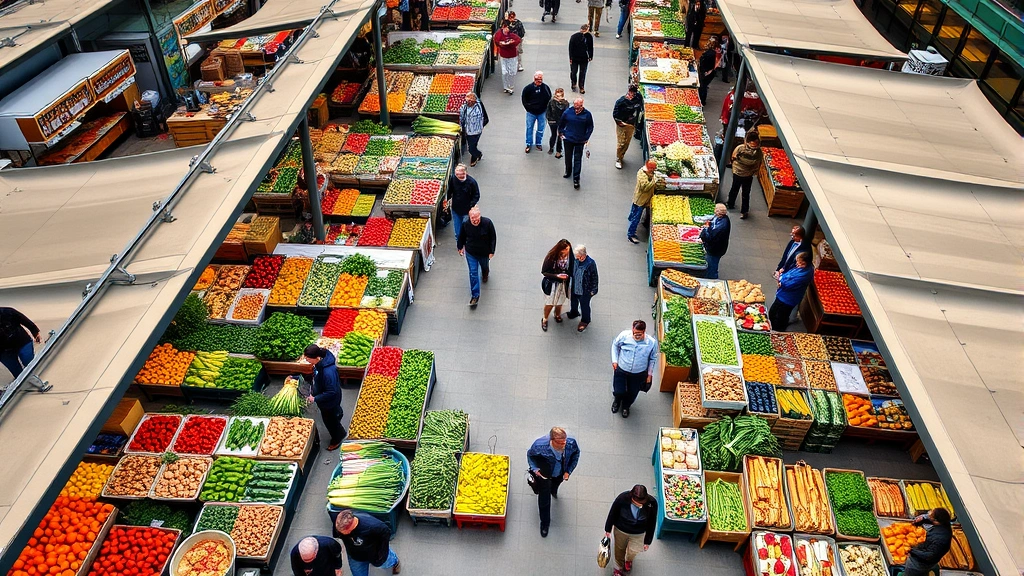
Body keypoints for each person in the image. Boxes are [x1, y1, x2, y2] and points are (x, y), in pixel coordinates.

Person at [527, 427, 581, 537]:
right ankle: (545, 523)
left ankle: (554, 490)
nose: (564, 445)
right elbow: (530, 455)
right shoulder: (539, 445)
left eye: (564, 442)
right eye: (560, 443)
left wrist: (568, 471)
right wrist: (536, 470)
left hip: (560, 473)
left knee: (555, 486)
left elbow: (576, 453)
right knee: (544, 500)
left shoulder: (571, 443)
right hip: (545, 476)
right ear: (552, 440)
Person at [604, 485, 657, 575]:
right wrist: (607, 530)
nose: (639, 504)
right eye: (636, 502)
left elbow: (652, 521)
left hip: (639, 533)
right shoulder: (622, 498)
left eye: (642, 502)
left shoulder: (651, 503)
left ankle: (628, 559)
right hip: (621, 529)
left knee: (634, 550)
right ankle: (618, 567)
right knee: (619, 550)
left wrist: (647, 541)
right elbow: (613, 513)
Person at [610, 320, 658, 418]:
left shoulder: (651, 343)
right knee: (618, 390)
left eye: (639, 334)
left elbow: (653, 359)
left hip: (638, 373)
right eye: (634, 333)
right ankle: (617, 402)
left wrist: (649, 374)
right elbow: (615, 345)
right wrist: (615, 360)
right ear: (632, 329)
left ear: (644, 331)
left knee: (632, 392)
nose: (636, 335)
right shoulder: (624, 336)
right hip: (622, 369)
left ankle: (626, 406)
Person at [303, 344, 346, 450]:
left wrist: (315, 398)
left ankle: (337, 438)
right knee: (333, 415)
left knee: (330, 421)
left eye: (308, 358)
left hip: (329, 401)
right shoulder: (321, 363)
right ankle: (338, 415)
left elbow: (331, 392)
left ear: (316, 358)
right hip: (329, 397)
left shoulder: (328, 372)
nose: (306, 360)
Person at [332, 510, 401, 576]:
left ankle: (395, 562)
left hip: (375, 551)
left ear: (351, 526)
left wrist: (382, 555)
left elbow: (385, 536)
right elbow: (337, 535)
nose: (341, 533)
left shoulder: (374, 526)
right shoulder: (339, 525)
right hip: (355, 555)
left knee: (387, 562)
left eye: (344, 532)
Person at [456, 206, 496, 307]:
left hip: (484, 252)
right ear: (469, 217)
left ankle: (485, 272)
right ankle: (475, 295)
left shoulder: (487, 223)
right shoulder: (466, 224)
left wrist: (492, 251)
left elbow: (493, 237)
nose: (475, 220)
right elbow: (462, 236)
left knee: (484, 265)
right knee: (473, 273)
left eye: (476, 217)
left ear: (480, 215)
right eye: (472, 218)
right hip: (471, 252)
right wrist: (460, 247)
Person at [768, 251, 814, 330]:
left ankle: (777, 330)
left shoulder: (804, 275)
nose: (797, 264)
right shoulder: (801, 268)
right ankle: (772, 326)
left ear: (805, 263)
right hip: (783, 294)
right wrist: (782, 276)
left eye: (800, 262)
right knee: (773, 312)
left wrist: (781, 280)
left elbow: (790, 284)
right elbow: (790, 274)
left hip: (788, 298)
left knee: (781, 316)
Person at [904, 508, 954, 576]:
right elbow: (930, 519)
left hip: (920, 563)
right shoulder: (944, 522)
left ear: (936, 520)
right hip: (924, 553)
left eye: (931, 514)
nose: (929, 513)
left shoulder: (940, 539)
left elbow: (930, 555)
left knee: (912, 572)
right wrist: (923, 520)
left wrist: (911, 550)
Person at [558, 97, 594, 189]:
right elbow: (561, 123)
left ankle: (576, 178)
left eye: (579, 107)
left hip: (580, 140)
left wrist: (586, 138)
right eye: (575, 107)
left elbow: (590, 127)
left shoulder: (587, 115)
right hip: (568, 139)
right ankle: (568, 171)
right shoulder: (568, 112)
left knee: (577, 159)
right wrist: (561, 133)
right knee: (568, 156)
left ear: (582, 105)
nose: (577, 109)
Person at [726, 130, 764, 219]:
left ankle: (732, 205)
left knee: (737, 190)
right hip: (745, 174)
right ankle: (742, 210)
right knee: (743, 192)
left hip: (742, 173)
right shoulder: (757, 152)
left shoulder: (741, 148)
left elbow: (733, 157)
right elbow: (758, 162)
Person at [540, 239, 574, 331]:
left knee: (560, 301)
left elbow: (572, 268)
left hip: (563, 284)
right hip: (552, 284)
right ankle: (545, 319)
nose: (567, 251)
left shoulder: (570, 257)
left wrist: (568, 275)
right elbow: (544, 272)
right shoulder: (551, 257)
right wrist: (557, 276)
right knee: (549, 303)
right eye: (565, 249)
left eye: (568, 249)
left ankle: (557, 314)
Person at [0, 307, 41, 380]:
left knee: (28, 363)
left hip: (22, 342)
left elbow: (24, 320)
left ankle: (32, 375)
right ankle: (25, 380)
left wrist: (35, 332)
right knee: (18, 374)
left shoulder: (8, 312)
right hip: (3, 352)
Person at [566, 244, 598, 332]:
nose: (577, 258)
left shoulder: (590, 263)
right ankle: (574, 312)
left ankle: (585, 320)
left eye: (579, 256)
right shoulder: (576, 260)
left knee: (584, 305)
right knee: (573, 300)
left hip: (585, 290)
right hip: (575, 286)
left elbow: (594, 277)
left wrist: (593, 291)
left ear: (584, 255)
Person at [612, 84, 643, 169]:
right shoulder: (621, 102)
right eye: (629, 94)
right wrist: (619, 122)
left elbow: (640, 106)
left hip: (631, 124)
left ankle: (622, 154)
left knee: (627, 142)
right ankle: (618, 158)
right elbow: (615, 114)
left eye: (633, 94)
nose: (631, 96)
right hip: (622, 123)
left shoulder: (638, 98)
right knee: (621, 142)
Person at [446, 164, 480, 241]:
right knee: (457, 231)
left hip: (467, 210)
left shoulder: (472, 182)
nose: (459, 176)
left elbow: (476, 195)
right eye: (457, 174)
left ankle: (465, 243)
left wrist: (471, 205)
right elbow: (450, 190)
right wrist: (447, 200)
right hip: (456, 208)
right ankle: (460, 244)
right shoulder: (453, 179)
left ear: (465, 173)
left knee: (465, 229)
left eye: (461, 174)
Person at [627, 160, 658, 243]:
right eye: (653, 169)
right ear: (650, 168)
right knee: (636, 217)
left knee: (637, 213)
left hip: (646, 199)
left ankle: (640, 222)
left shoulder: (650, 173)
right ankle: (631, 234)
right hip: (640, 199)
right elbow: (644, 187)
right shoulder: (641, 174)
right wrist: (654, 181)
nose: (654, 170)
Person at [521, 71, 552, 153]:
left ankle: (538, 143)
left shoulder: (545, 88)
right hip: (531, 112)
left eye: (541, 79)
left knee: (541, 129)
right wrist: (528, 108)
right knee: (529, 128)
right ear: (534, 79)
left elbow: (549, 98)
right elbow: (524, 98)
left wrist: (546, 109)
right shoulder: (528, 88)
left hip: (542, 112)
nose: (539, 81)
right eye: (537, 79)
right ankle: (528, 144)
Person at [699, 203, 730, 279]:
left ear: (719, 212)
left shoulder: (722, 225)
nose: (714, 210)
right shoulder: (722, 218)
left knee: (712, 266)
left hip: (715, 249)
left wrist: (705, 230)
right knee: (711, 263)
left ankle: (712, 280)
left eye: (716, 209)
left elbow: (711, 236)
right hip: (717, 247)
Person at [494, 21, 522, 94]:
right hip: (504, 56)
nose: (507, 30)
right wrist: (501, 44)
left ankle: (511, 86)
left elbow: (518, 39)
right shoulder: (499, 34)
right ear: (503, 27)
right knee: (504, 72)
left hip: (512, 55)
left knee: (512, 71)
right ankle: (506, 87)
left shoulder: (512, 34)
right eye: (506, 28)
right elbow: (497, 41)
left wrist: (512, 43)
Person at [458, 93, 485, 166]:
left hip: (478, 131)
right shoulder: (464, 107)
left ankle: (476, 155)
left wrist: (481, 125)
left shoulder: (479, 105)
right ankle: (477, 154)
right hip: (469, 132)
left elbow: (484, 116)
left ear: (475, 101)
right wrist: (462, 128)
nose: (469, 102)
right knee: (471, 147)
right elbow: (462, 118)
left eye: (471, 101)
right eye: (468, 101)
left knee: (472, 147)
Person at [568, 24, 594, 94]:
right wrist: (570, 58)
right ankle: (573, 82)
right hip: (575, 58)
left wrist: (591, 56)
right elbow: (570, 48)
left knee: (583, 73)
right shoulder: (574, 37)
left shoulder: (589, 37)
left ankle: (581, 86)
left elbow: (590, 47)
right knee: (574, 72)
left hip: (584, 58)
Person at [545, 88, 569, 158]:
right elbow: (548, 111)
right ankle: (551, 147)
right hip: (553, 121)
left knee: (559, 136)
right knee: (553, 135)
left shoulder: (565, 103)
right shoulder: (551, 102)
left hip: (561, 121)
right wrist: (549, 119)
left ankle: (558, 151)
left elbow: (566, 112)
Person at [697, 35, 719, 105]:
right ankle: (702, 100)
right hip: (708, 72)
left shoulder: (710, 53)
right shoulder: (713, 52)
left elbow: (709, 65)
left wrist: (706, 72)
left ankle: (702, 101)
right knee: (704, 86)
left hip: (706, 72)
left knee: (703, 86)